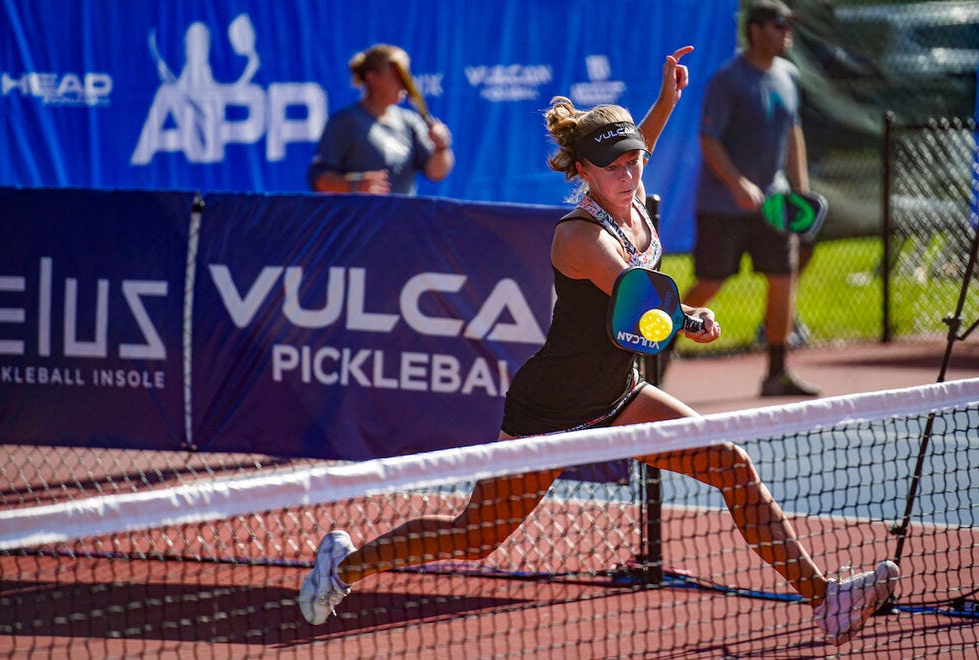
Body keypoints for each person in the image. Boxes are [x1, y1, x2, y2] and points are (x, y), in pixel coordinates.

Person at [298, 46, 898, 647]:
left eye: (634, 161)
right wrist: (688, 317)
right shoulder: (580, 236)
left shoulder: (630, 189)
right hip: (551, 410)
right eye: (613, 165)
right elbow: (634, 296)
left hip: (620, 393)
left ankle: (827, 598)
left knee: (731, 467)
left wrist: (666, 100)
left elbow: (642, 146)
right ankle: (343, 566)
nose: (629, 173)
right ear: (583, 170)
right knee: (475, 535)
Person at [682, 0, 821, 396]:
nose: (787, 32)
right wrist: (737, 184)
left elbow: (793, 135)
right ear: (756, 30)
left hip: (775, 205)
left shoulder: (789, 75)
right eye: (779, 25)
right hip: (721, 205)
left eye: (788, 25)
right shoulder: (728, 80)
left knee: (783, 279)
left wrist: (800, 190)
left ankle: (777, 373)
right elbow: (709, 139)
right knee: (709, 283)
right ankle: (655, 360)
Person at [307, 43, 454, 195]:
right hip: (360, 218)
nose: (405, 82)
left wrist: (441, 147)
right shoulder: (343, 122)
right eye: (397, 74)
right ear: (372, 78)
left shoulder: (410, 121)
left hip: (402, 218)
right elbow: (319, 179)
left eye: (406, 74)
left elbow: (436, 173)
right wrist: (355, 185)